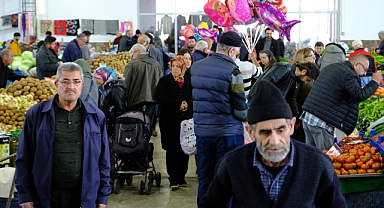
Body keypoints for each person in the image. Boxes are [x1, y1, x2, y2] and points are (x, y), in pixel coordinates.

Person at [199, 80, 347, 208]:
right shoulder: (232, 164)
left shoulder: (318, 164)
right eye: (265, 132)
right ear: (250, 132)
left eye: (280, 130)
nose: (275, 141)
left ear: (291, 126)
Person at [15, 62, 111, 208]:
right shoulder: (36, 114)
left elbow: (103, 161)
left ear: (82, 85)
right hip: (46, 196)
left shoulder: (96, 116)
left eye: (76, 81)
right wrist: (25, 195)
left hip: (83, 196)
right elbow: (23, 158)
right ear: (56, 84)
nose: (71, 86)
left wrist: (102, 197)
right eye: (65, 81)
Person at [191, 31, 248, 203]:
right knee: (227, 180)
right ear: (231, 51)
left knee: (205, 180)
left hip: (203, 133)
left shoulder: (196, 67)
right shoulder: (233, 71)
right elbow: (240, 109)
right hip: (228, 134)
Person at [301, 54, 382, 150]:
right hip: (321, 122)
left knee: (312, 155)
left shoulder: (333, 67)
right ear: (356, 64)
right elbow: (359, 95)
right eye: (365, 69)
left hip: (309, 117)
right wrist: (375, 82)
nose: (364, 74)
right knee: (325, 157)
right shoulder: (349, 74)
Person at [155, 56, 192, 190]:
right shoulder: (165, 81)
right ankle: (173, 179)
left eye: (177, 66)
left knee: (184, 150)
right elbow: (158, 97)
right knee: (172, 150)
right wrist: (177, 104)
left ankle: (182, 176)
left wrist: (188, 104)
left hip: (185, 122)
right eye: (173, 66)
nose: (175, 69)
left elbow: (194, 97)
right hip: (169, 122)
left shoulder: (189, 80)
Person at [123, 43, 163, 134]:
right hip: (152, 100)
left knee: (136, 127)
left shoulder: (132, 64)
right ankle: (145, 144)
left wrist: (125, 99)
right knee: (147, 127)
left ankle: (137, 146)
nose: (131, 57)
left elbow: (125, 84)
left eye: (132, 55)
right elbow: (161, 82)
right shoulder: (156, 64)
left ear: (136, 52)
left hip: (135, 100)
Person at [247, 61, 320, 105]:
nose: (305, 82)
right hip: (257, 104)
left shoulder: (293, 78)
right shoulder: (283, 69)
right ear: (304, 71)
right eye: (307, 79)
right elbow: (263, 85)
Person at [290, 48, 317, 143]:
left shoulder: (310, 71)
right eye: (312, 56)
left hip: (307, 116)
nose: (314, 58)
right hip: (300, 117)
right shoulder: (297, 75)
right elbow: (293, 98)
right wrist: (296, 116)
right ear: (303, 58)